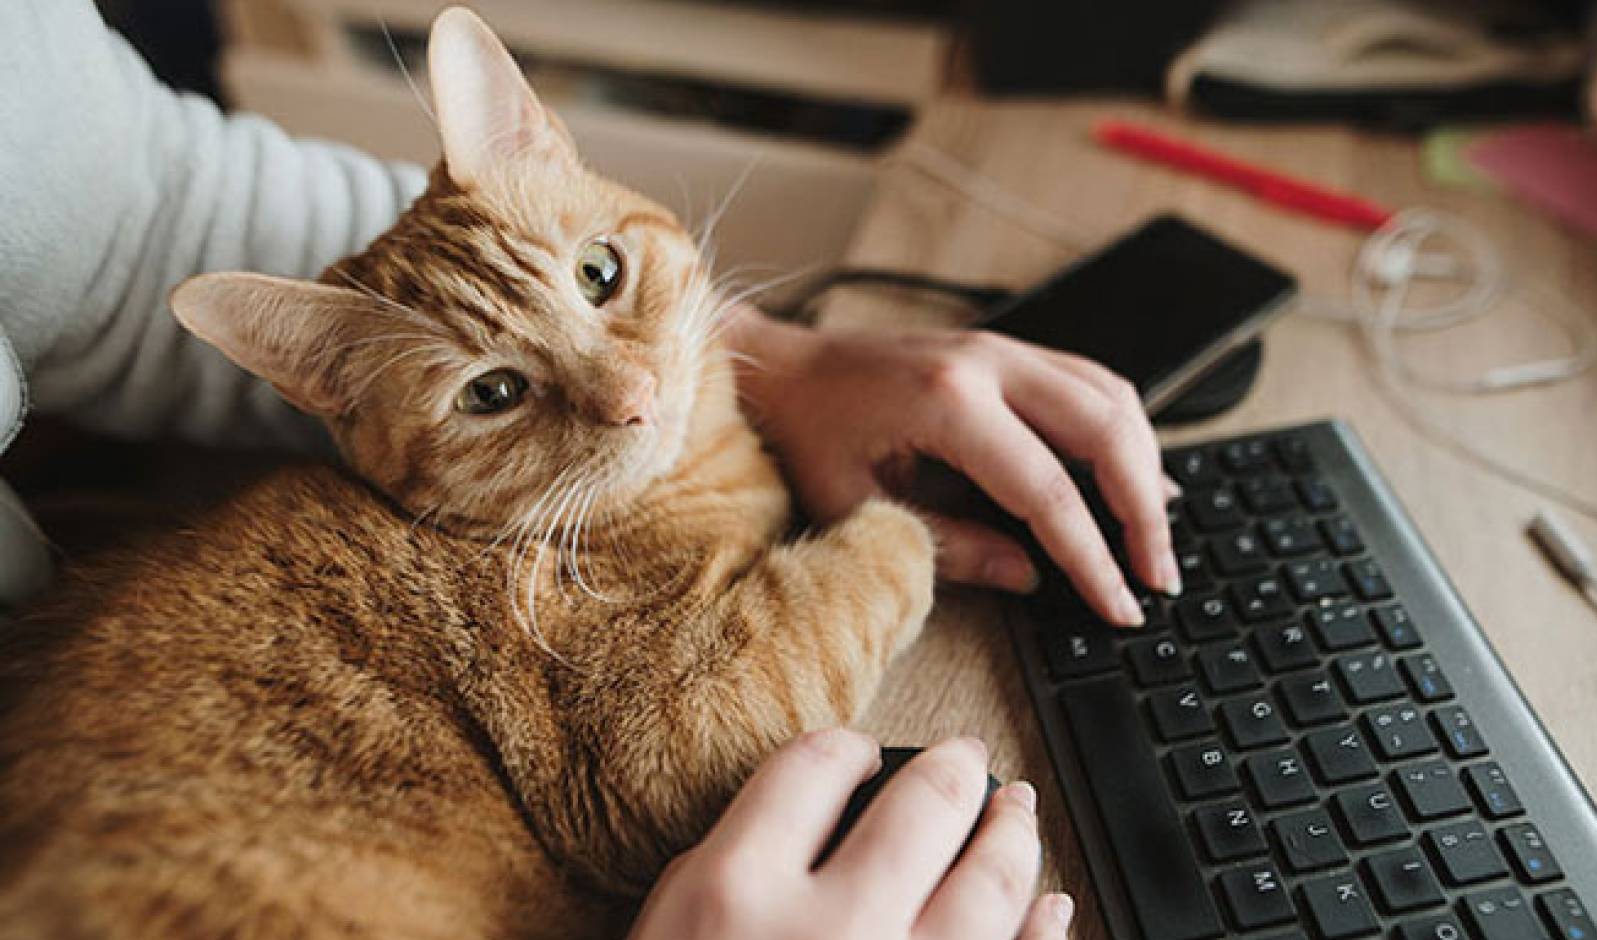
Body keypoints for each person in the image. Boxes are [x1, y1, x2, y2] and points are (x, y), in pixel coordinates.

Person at [0, 1, 1180, 935]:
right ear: (348, 414)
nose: (627, 396)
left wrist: (783, 354)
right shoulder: (525, 578)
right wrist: (893, 547)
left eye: (602, 278)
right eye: (496, 395)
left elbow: (125, 207)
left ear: (555, 151)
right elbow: (666, 770)